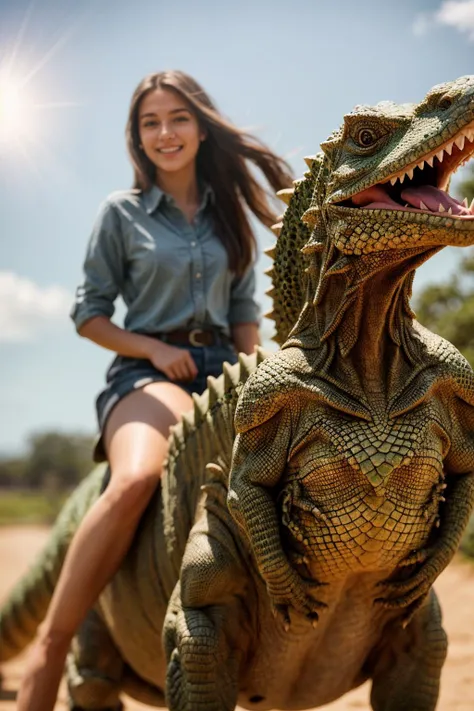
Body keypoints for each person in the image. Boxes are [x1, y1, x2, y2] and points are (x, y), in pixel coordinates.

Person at [17, 70, 293, 710]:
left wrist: (263, 377)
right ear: (137, 138)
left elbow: (246, 315)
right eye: (150, 122)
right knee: (140, 478)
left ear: (201, 126)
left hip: (226, 368)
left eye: (177, 118)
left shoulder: (231, 219)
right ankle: (52, 647)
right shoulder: (120, 214)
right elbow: (89, 315)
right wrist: (157, 350)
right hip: (147, 373)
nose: (165, 132)